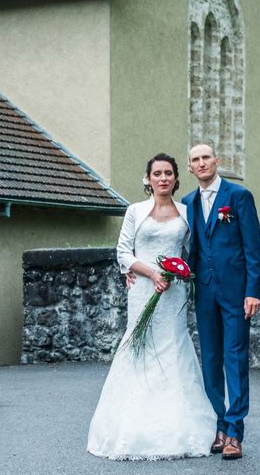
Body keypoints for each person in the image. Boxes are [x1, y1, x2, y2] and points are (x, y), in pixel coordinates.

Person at [87, 153, 216, 460]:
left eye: (168, 173)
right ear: (148, 179)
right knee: (140, 348)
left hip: (173, 293)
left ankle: (182, 425)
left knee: (173, 348)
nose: (163, 178)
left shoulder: (187, 212)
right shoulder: (135, 211)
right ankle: (131, 426)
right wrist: (149, 272)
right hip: (144, 289)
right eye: (157, 173)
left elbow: (190, 252)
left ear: (175, 178)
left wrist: (179, 272)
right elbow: (123, 252)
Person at [181, 144, 260, 459]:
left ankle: (234, 431)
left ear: (216, 161)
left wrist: (254, 290)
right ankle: (217, 424)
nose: (201, 163)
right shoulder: (187, 203)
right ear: (190, 167)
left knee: (235, 358)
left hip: (236, 293)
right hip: (203, 293)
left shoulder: (238, 196)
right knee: (211, 361)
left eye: (206, 157)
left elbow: (254, 248)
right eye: (195, 160)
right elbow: (189, 249)